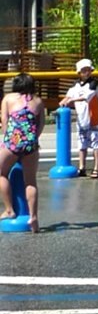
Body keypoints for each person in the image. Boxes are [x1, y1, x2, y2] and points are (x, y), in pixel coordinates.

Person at [0, 73, 43, 230]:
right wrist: (32, 140)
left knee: (1, 173)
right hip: (31, 144)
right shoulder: (38, 101)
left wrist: (7, 141)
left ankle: (9, 209)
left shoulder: (8, 98)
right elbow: (41, 124)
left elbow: (4, 122)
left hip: (13, 142)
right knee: (30, 181)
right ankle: (33, 217)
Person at [62, 58, 98, 178]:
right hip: (81, 118)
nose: (87, 73)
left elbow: (87, 96)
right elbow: (69, 95)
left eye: (88, 70)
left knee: (95, 143)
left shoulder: (95, 83)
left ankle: (96, 168)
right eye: (84, 70)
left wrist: (71, 100)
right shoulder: (75, 85)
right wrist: (64, 101)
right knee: (81, 143)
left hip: (92, 117)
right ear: (79, 72)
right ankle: (82, 167)